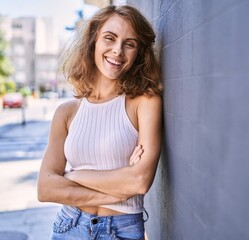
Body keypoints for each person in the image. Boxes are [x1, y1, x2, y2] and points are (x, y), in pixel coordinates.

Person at [37, 5, 163, 240]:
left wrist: (73, 175)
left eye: (130, 43)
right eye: (110, 38)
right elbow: (45, 189)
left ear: (138, 52)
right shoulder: (66, 112)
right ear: (93, 41)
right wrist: (117, 191)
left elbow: (139, 181)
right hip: (69, 226)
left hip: (121, 229)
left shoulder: (144, 101)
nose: (117, 51)